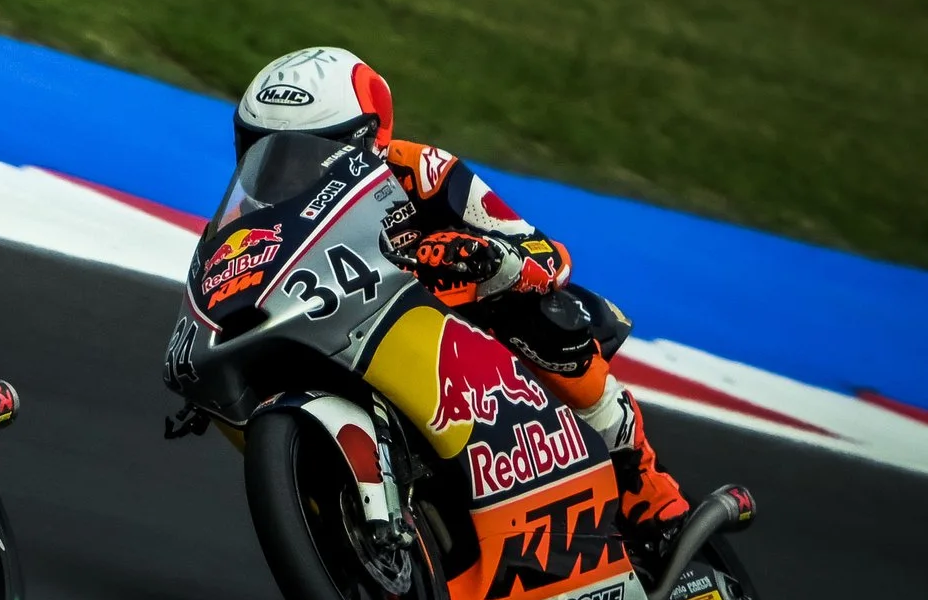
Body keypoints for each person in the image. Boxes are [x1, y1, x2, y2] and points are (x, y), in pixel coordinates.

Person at [232, 46, 691, 552]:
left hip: (467, 332)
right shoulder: (259, 222)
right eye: (264, 151)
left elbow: (546, 255)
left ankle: (645, 481)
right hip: (362, 338)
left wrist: (483, 257)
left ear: (364, 140)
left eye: (301, 153)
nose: (281, 169)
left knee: (548, 317)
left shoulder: (426, 173)